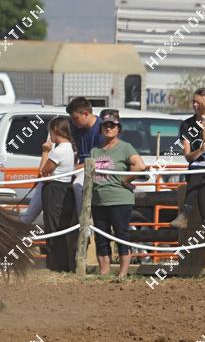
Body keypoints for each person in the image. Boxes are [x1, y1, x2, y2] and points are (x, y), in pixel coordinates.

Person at [90, 109, 146, 278]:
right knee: (101, 238)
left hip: (120, 200)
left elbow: (140, 166)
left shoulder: (125, 147)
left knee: (121, 235)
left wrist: (125, 180)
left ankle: (122, 273)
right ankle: (104, 272)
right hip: (98, 200)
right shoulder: (95, 150)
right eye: (105, 126)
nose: (108, 128)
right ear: (101, 128)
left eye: (112, 125)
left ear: (118, 128)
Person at [172, 87, 205, 242]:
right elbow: (188, 157)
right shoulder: (186, 124)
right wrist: (200, 150)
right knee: (202, 184)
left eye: (199, 102)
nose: (195, 105)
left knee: (200, 175)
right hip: (198, 170)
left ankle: (184, 214)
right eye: (194, 102)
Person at [38, 117, 78, 272]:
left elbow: (43, 172)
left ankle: (56, 265)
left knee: (53, 228)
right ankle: (61, 265)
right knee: (60, 227)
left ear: (54, 130)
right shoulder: (70, 148)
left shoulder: (59, 150)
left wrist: (45, 152)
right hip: (64, 188)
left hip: (55, 190)